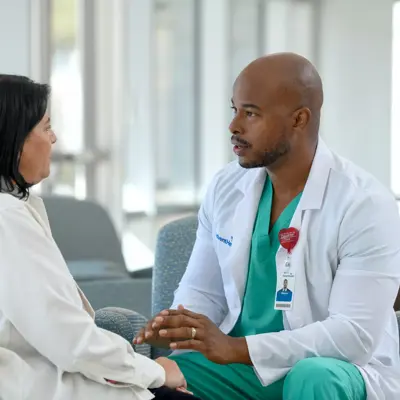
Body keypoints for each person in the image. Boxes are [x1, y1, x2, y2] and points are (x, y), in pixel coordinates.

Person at [135, 53, 400, 400]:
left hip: (338, 370)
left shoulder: (365, 205)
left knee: (312, 376)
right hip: (244, 371)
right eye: (234, 110)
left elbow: (352, 337)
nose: (234, 126)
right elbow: (203, 293)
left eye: (251, 113)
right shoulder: (225, 188)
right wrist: (179, 328)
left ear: (299, 119)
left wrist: (237, 348)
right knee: (150, 380)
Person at [0, 75, 200, 400]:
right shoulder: (7, 217)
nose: (53, 138)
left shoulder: (13, 210)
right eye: (45, 126)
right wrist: (156, 373)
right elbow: (70, 340)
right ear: (15, 139)